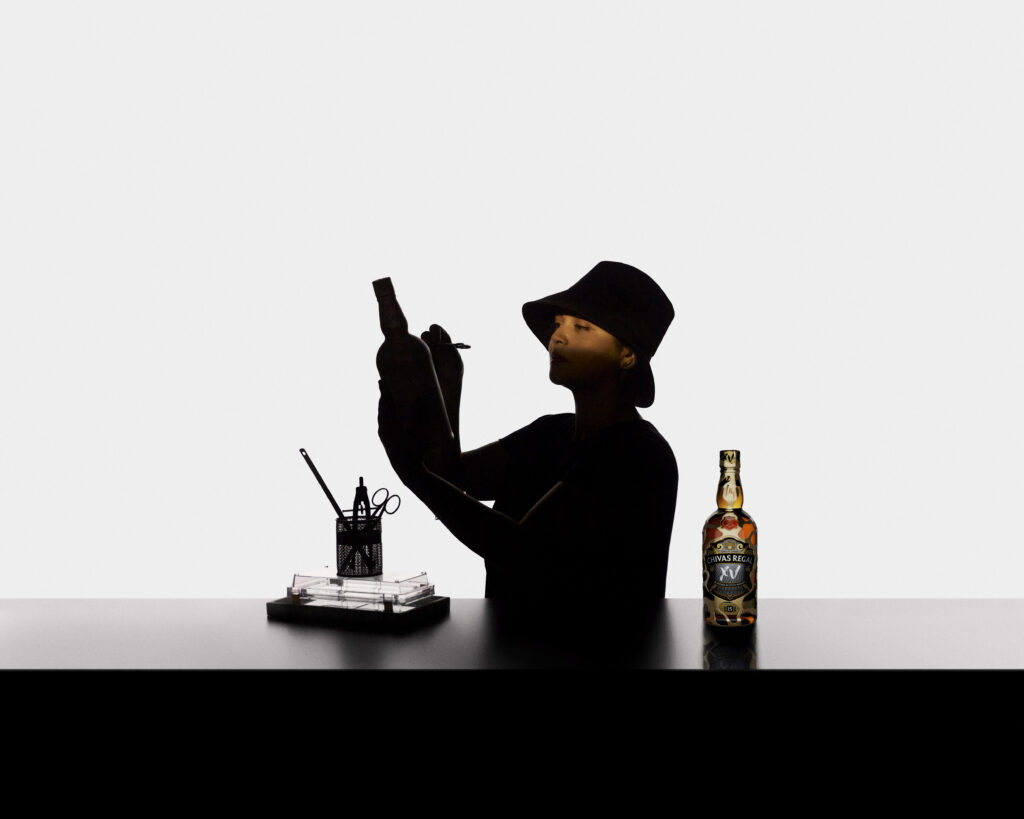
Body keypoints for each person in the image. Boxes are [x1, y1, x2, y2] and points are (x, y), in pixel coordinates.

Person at [377, 260, 678, 603]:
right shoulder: (550, 432)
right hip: (508, 637)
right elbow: (452, 475)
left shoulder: (639, 453)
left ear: (627, 356)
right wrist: (447, 387)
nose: (557, 337)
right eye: (558, 324)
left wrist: (413, 474)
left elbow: (522, 549)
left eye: (581, 327)